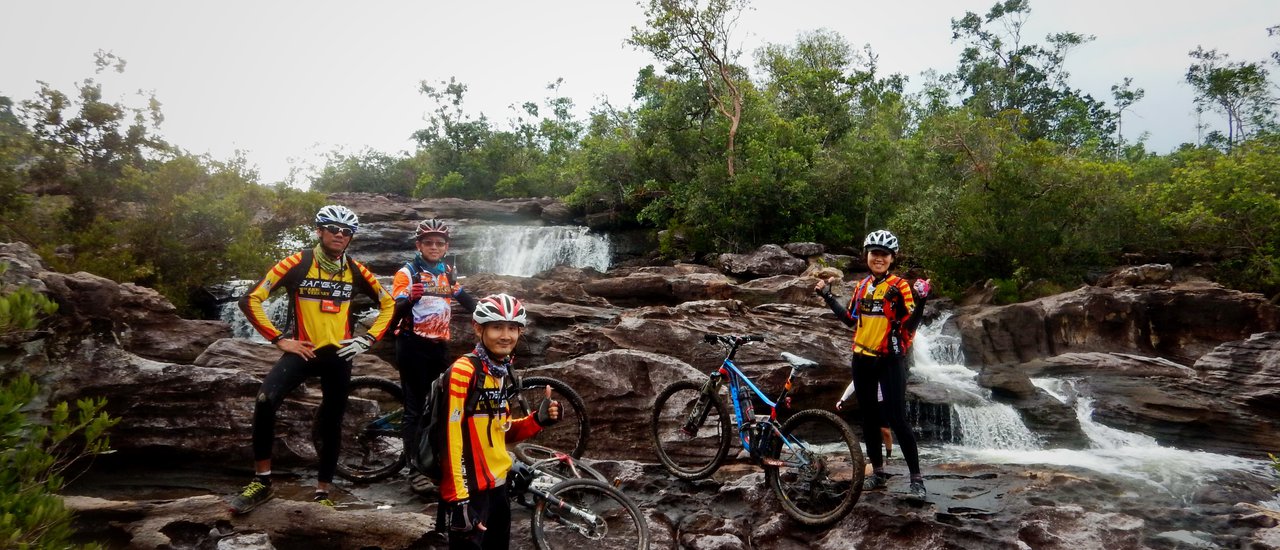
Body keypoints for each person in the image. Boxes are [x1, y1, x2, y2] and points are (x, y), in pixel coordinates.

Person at [230, 204, 396, 513]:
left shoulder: (356, 270)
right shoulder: (296, 263)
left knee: (332, 422)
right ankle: (262, 483)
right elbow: (250, 299)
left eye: (347, 232)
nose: (340, 235)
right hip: (304, 351)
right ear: (319, 231)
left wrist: (367, 340)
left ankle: (323, 493)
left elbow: (389, 304)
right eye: (333, 229)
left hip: (340, 355)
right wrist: (279, 339)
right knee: (266, 401)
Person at [439, 293, 560, 550]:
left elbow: (501, 433)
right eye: (497, 327)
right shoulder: (464, 371)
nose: (506, 335)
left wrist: (537, 420)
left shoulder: (500, 371)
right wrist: (459, 501)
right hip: (470, 491)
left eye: (513, 328)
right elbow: (450, 438)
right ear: (478, 328)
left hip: (499, 487)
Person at [815, 229, 927, 500]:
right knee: (869, 420)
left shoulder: (900, 287)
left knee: (898, 420)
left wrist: (922, 301)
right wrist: (828, 297)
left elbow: (910, 324)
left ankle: (917, 481)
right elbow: (850, 319)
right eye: (874, 253)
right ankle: (877, 473)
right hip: (862, 359)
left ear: (892, 258)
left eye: (884, 254)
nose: (879, 258)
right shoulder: (861, 287)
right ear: (867, 256)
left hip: (890, 359)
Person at [390, 219, 477, 495]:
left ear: (446, 246)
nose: (434, 247)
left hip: (439, 345)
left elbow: (466, 300)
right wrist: (411, 299)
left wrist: (493, 312)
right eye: (429, 242)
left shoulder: (447, 272)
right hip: (412, 344)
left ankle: (436, 460)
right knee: (416, 408)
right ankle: (415, 470)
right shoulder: (407, 273)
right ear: (419, 245)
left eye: (439, 243)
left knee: (440, 404)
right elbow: (394, 312)